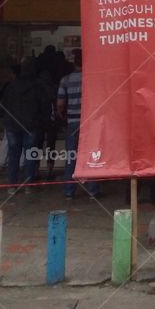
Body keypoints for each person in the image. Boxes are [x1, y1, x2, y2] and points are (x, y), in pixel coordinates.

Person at [0, 58, 51, 194]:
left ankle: (12, 185)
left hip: (12, 125)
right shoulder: (39, 87)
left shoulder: (10, 86)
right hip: (32, 126)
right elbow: (44, 107)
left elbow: (3, 106)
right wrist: (44, 123)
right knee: (30, 156)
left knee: (13, 155)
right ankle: (28, 185)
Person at [56, 53, 100, 199]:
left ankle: (69, 190)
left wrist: (62, 115)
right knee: (91, 157)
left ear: (73, 62)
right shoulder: (92, 79)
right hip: (90, 123)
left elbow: (60, 104)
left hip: (72, 123)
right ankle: (92, 190)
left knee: (71, 157)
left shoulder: (65, 80)